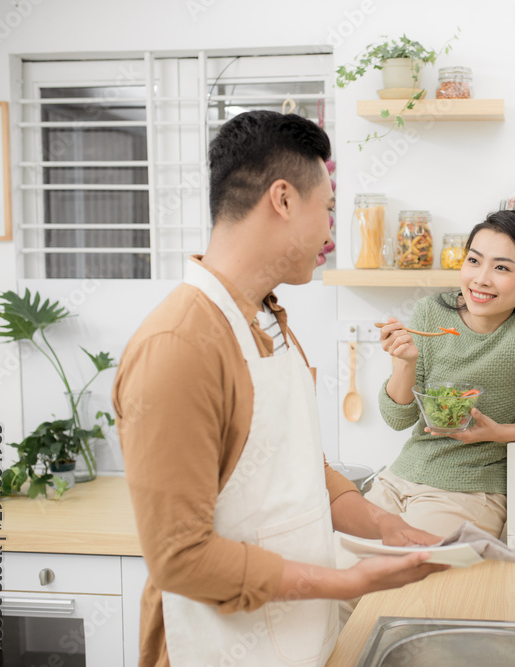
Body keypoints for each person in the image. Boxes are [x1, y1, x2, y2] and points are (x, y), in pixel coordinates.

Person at [113, 110, 446, 667]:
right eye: (329, 211)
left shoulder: (268, 319)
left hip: (294, 642)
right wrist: (346, 581)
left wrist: (384, 525)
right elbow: (180, 558)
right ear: (285, 199)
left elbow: (299, 465)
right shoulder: (177, 345)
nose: (331, 234)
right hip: (218, 650)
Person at [366, 210, 515, 538]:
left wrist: (500, 433)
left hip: (470, 493)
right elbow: (398, 418)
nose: (481, 278)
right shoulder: (430, 312)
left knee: (405, 568)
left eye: (501, 268)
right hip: (399, 478)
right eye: (474, 261)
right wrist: (405, 363)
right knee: (344, 556)